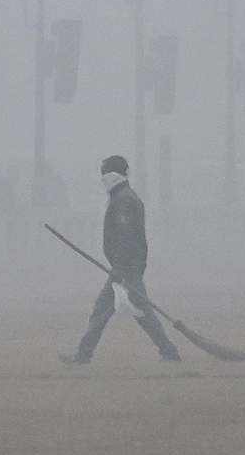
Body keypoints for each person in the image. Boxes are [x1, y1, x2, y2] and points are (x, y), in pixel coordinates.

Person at [61, 155, 179, 364]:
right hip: (126, 267)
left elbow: (125, 236)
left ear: (111, 174)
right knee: (105, 310)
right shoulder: (124, 196)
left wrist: (119, 266)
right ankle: (83, 354)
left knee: (140, 311)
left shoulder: (123, 199)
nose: (101, 178)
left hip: (125, 268)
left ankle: (168, 350)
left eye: (103, 173)